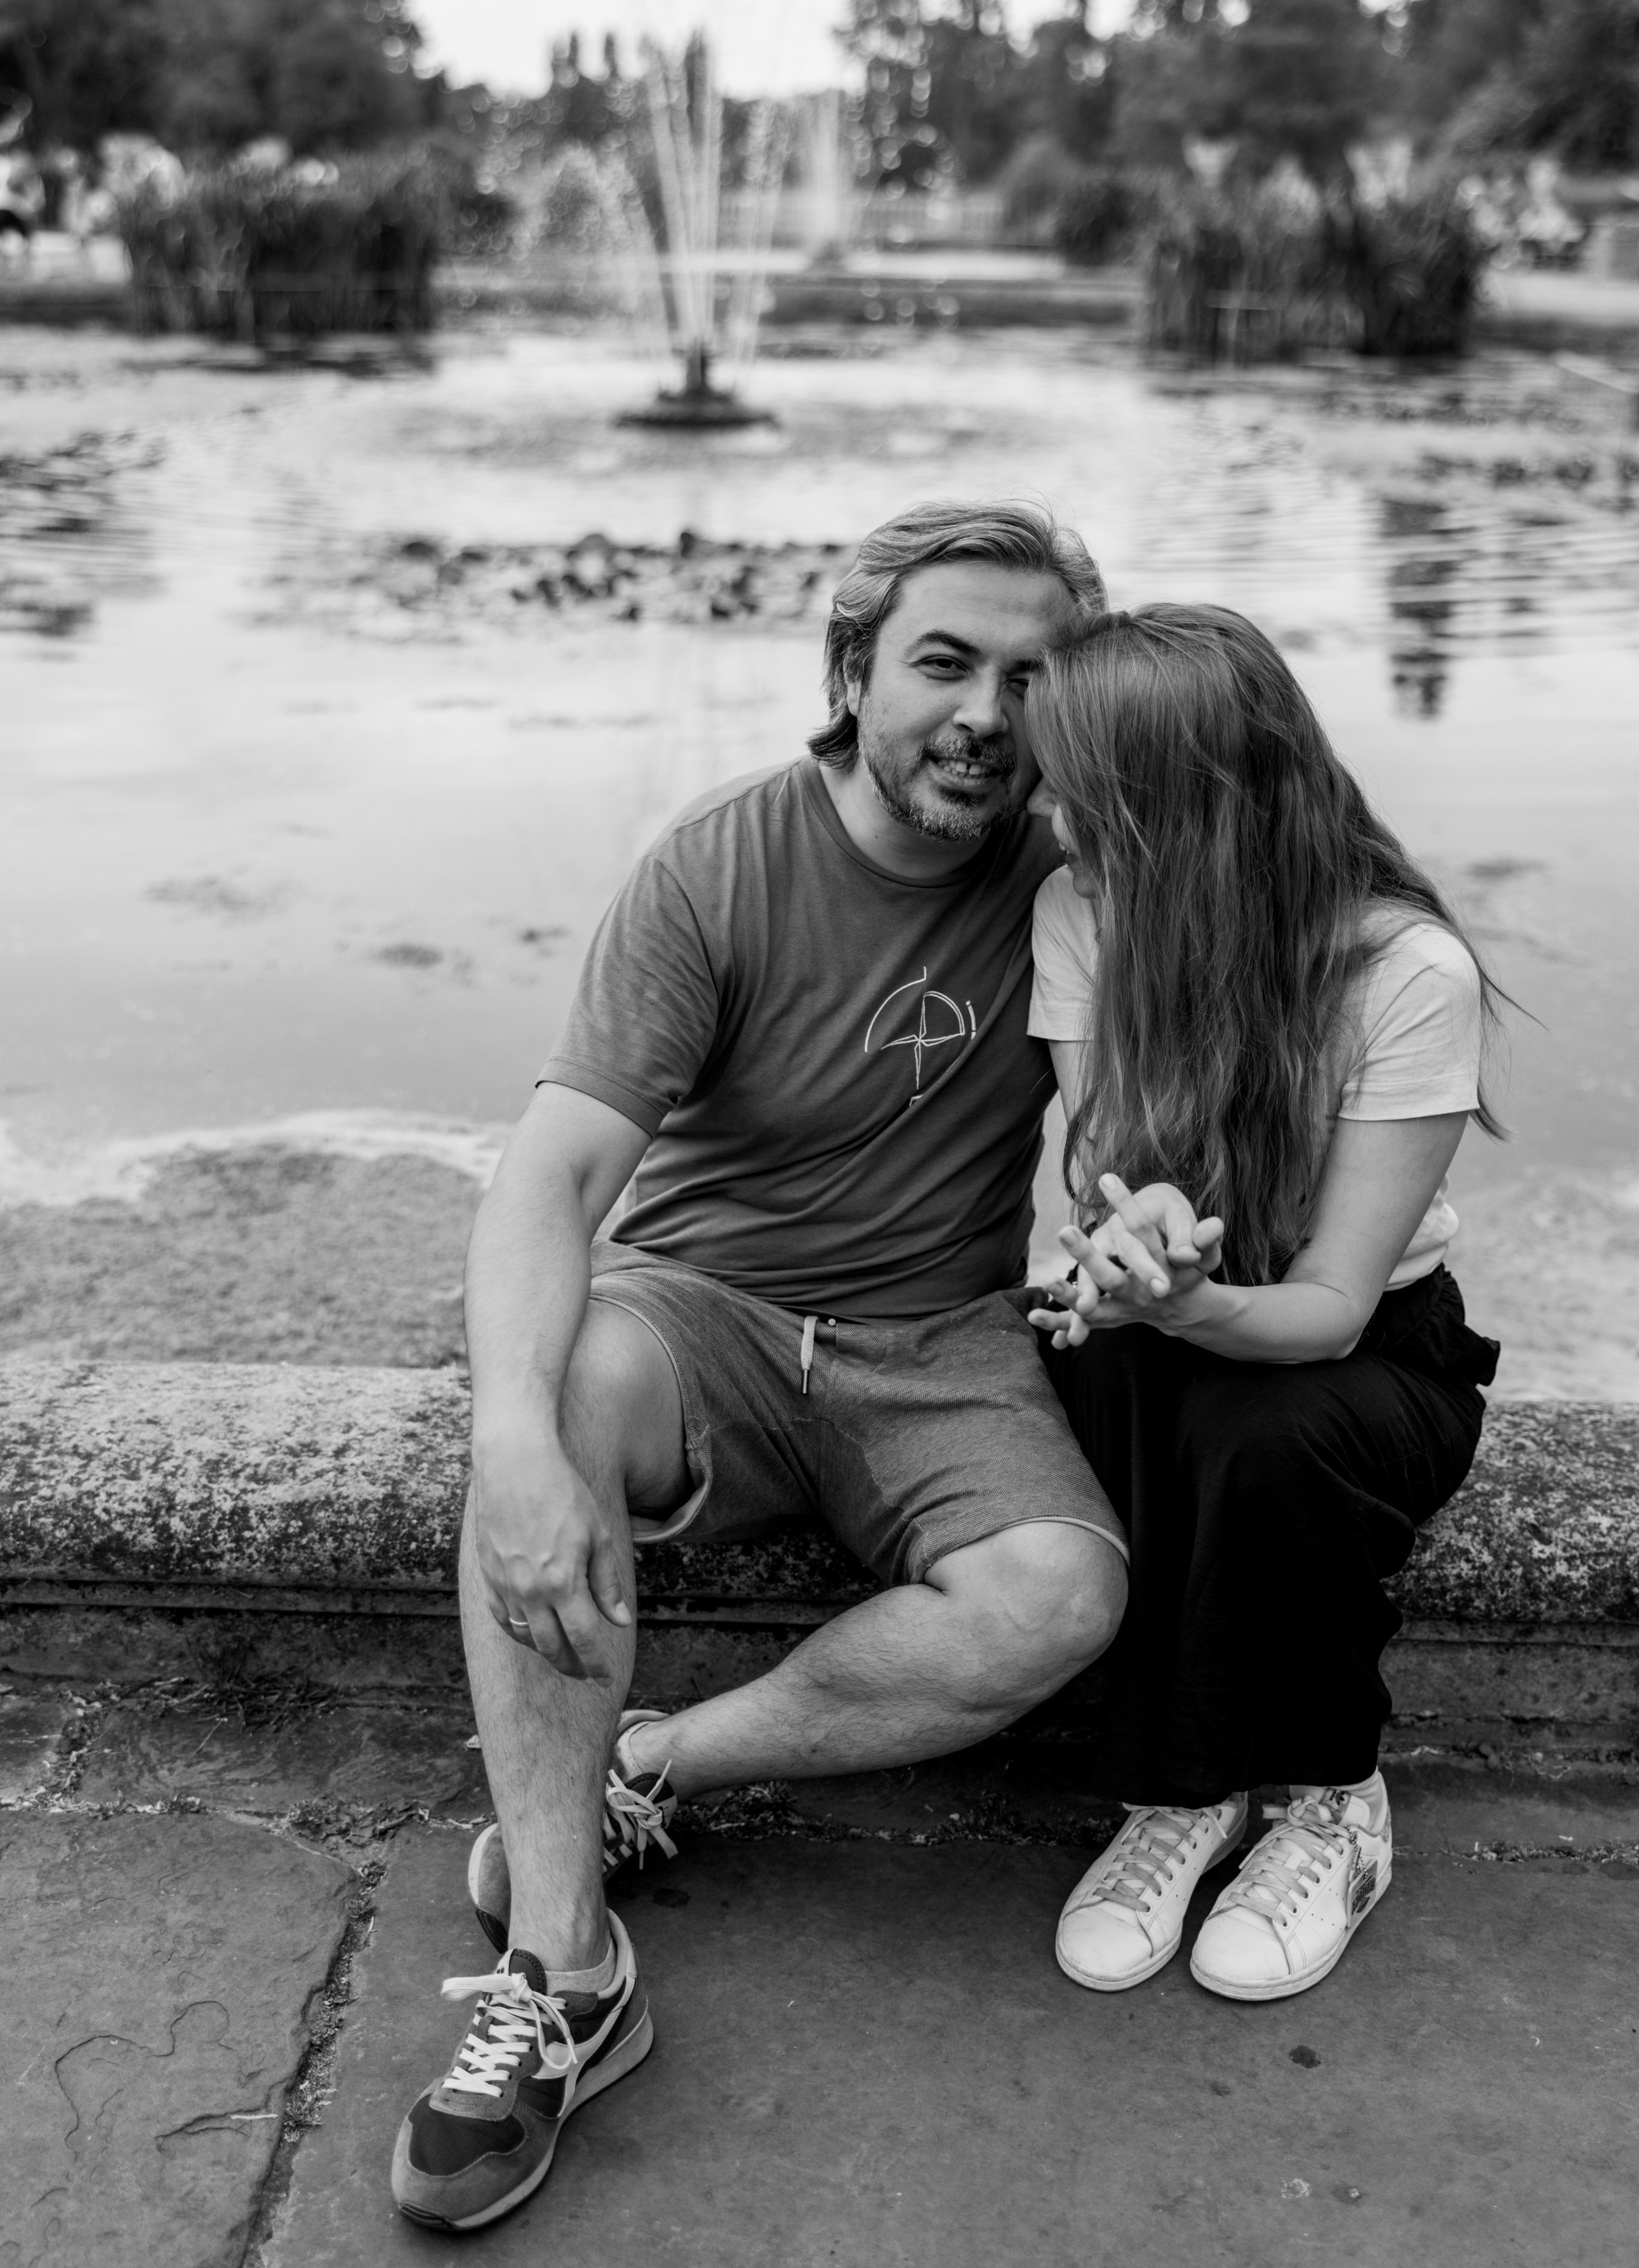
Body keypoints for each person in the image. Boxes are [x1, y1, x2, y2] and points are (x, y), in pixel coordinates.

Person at [391, 501, 1133, 2233]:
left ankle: (650, 1770)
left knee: (1060, 1590)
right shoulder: (719, 863)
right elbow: (558, 1174)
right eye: (943, 660)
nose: (984, 713)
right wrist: (507, 1436)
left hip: (942, 1340)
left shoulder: (1088, 882)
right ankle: (568, 1970)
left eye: (1033, 676)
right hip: (703, 1308)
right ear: (851, 668)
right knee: (563, 1414)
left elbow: (1208, 1048)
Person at [1021, 601, 1501, 2004]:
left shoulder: (1403, 970)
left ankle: (1335, 1798)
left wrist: (1185, 1309)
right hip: (1184, 1297)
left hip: (1364, 1347)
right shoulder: (1084, 912)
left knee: (1259, 1435)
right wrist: (1130, 1249)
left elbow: (1329, 1307)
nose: (1048, 819)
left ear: (1187, 808)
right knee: (1084, 1370)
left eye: (1080, 792)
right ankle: (1183, 1794)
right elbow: (1097, 1157)